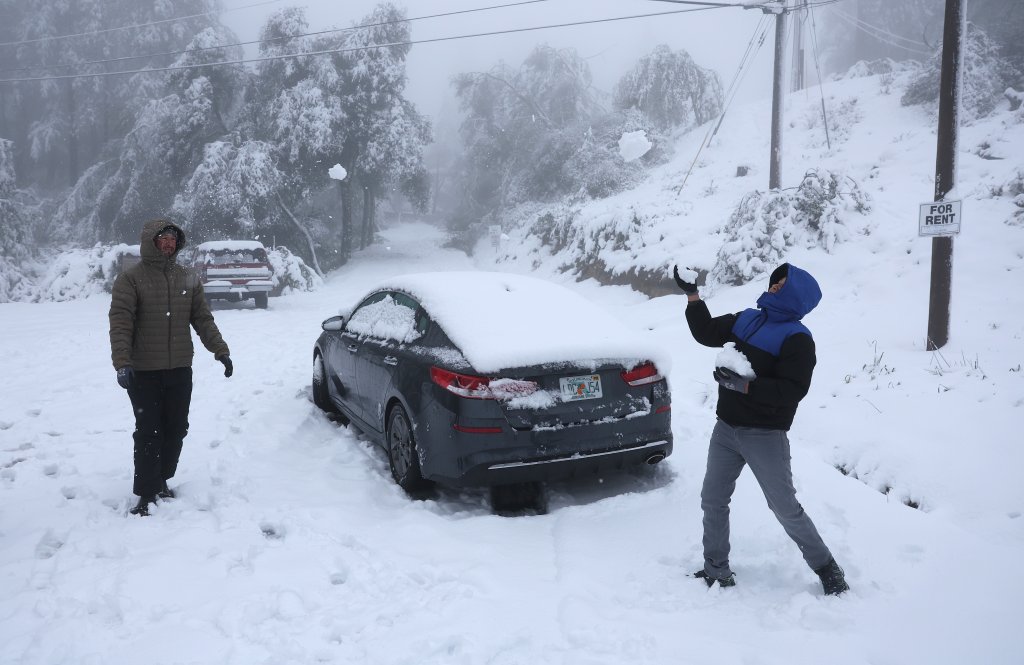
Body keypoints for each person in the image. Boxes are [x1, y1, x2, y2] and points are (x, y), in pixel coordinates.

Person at [674, 263, 850, 596]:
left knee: (784, 507)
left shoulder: (797, 338)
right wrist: (692, 296)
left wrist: (747, 388)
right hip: (726, 428)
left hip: (765, 434)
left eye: (782, 284)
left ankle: (827, 567)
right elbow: (707, 333)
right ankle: (717, 570)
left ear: (796, 293)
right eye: (775, 281)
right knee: (712, 499)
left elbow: (793, 389)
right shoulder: (747, 318)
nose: (774, 286)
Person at [109, 220, 233, 517]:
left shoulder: (187, 277)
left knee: (176, 428)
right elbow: (121, 323)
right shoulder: (131, 279)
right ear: (150, 241)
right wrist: (122, 363)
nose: (168, 244)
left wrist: (220, 350)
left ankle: (162, 479)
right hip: (144, 370)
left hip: (179, 367)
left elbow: (202, 319)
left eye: (173, 239)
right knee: (149, 430)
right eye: (163, 238)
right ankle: (146, 492)